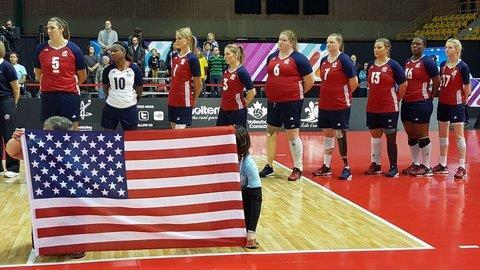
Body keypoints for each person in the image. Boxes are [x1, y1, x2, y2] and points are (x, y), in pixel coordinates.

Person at [5, 116, 85, 259]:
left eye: (44, 131)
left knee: (75, 212)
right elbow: (12, 151)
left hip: (72, 202)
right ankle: (49, 239)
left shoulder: (79, 150)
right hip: (47, 200)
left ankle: (76, 243)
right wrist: (17, 139)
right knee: (42, 243)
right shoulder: (38, 148)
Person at [258, 30, 314, 181]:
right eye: (279, 39)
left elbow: (310, 80)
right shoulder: (272, 57)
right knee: (270, 132)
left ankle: (297, 168)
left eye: (284, 40)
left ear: (292, 42)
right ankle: (269, 166)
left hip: (292, 101)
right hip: (273, 101)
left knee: (292, 134)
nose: (280, 42)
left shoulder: (299, 58)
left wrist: (295, 93)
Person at [313, 33, 358, 180]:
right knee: (327, 134)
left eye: (332, 42)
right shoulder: (324, 60)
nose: (329, 44)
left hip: (340, 104)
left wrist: (343, 95)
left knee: (340, 134)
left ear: (339, 43)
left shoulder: (344, 60)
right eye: (327, 42)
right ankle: (326, 166)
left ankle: (346, 167)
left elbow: (354, 82)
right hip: (325, 104)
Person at [364, 38, 407, 177]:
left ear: (387, 49)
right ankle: (375, 164)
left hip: (389, 106)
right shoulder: (370, 65)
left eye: (379, 47)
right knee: (375, 136)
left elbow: (403, 85)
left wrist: (397, 99)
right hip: (372, 107)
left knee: (390, 136)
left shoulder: (393, 65)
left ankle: (394, 167)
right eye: (375, 47)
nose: (376, 50)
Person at [33, 17, 87, 130]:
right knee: (48, 127)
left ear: (61, 29)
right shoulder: (41, 48)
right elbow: (38, 72)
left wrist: (68, 84)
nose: (48, 31)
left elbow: (83, 75)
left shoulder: (74, 49)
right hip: (48, 94)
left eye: (52, 28)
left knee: (72, 127)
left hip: (69, 94)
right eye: (47, 28)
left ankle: (73, 148)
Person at [401, 37, 441, 176]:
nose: (415, 46)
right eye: (413, 43)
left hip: (421, 102)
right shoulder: (407, 62)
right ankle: (415, 164)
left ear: (424, 46)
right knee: (411, 135)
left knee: (422, 135)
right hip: (406, 102)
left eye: (418, 44)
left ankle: (427, 166)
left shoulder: (428, 61)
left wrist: (431, 96)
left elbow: (437, 80)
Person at [432, 38, 471, 179]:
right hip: (443, 103)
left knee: (459, 135)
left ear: (457, 50)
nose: (446, 49)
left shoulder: (463, 67)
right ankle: (442, 164)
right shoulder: (442, 64)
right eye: (446, 47)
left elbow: (467, 88)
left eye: (450, 47)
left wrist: (463, 101)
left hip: (457, 104)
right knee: (443, 135)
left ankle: (462, 167)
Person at [101, 42, 143, 130]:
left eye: (115, 51)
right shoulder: (108, 70)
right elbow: (105, 87)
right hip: (111, 107)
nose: (112, 53)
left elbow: (139, 87)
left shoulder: (134, 68)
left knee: (131, 137)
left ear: (124, 52)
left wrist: (135, 99)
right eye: (111, 51)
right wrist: (113, 97)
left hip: (129, 107)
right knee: (108, 136)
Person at [168, 27, 201, 129]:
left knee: (179, 135)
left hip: (183, 102)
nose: (176, 41)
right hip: (172, 100)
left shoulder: (192, 58)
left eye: (179, 38)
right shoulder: (175, 57)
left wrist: (193, 100)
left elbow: (198, 84)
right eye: (176, 38)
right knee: (174, 133)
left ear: (187, 40)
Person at [234, 125, 262, 249]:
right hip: (225, 198)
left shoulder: (249, 165)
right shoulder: (219, 160)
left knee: (251, 195)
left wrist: (251, 233)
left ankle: (247, 230)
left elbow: (257, 198)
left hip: (240, 197)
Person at [216, 44, 256, 128]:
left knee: (238, 138)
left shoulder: (242, 72)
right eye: (224, 54)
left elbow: (252, 91)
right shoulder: (227, 71)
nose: (225, 57)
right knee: (221, 136)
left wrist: (245, 102)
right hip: (223, 109)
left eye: (228, 54)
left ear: (236, 54)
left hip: (237, 111)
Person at [0, 41, 20, 178]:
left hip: (6, 102)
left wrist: (14, 103)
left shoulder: (6, 66)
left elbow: (16, 88)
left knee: (9, 134)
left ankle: (13, 168)